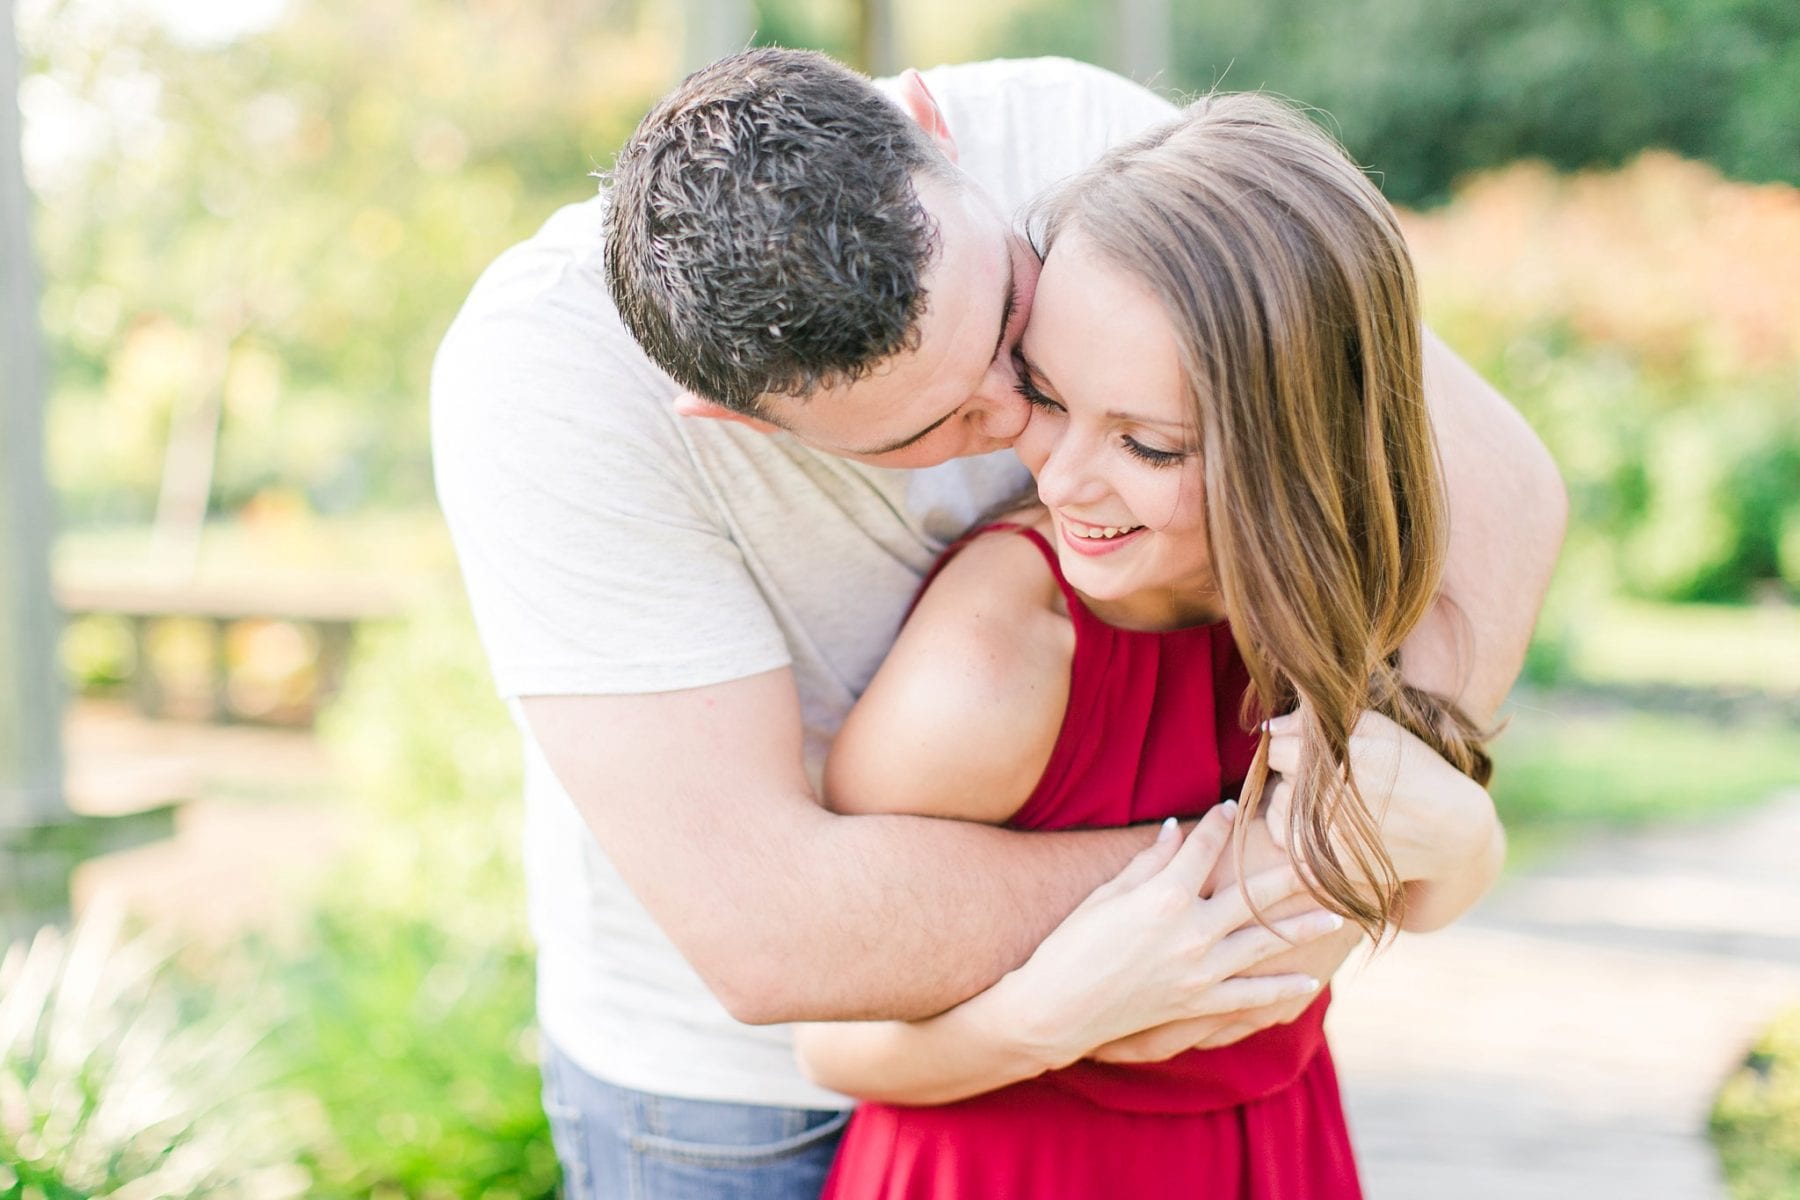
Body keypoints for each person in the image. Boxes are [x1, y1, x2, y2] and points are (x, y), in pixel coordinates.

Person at [431, 49, 1565, 1200]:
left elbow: (1488, 486)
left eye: (1017, 330)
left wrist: (1415, 794)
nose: (1033, 428)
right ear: (736, 421)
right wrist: (1302, 861)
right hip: (728, 1107)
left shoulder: (1084, 140)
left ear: (930, 127)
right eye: (949, 418)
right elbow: (778, 935)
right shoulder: (546, 382)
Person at [792, 91, 1500, 1199]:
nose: (1062, 479)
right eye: (1051, 398)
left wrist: (1466, 841)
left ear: (1301, 451)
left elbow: (1387, 884)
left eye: (1150, 444)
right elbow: (831, 1039)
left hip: (1280, 1143)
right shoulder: (995, 667)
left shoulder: (1342, 597)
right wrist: (1045, 1018)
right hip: (1012, 1166)